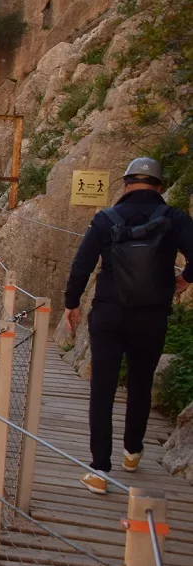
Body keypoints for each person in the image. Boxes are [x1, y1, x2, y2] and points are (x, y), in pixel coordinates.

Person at [64, 157, 193, 494]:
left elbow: (81, 265)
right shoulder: (175, 219)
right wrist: (183, 281)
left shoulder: (106, 219)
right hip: (151, 315)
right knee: (140, 382)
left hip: (109, 313)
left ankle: (99, 471)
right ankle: (132, 451)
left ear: (124, 184)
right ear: (160, 186)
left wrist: (72, 303)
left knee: (102, 388)